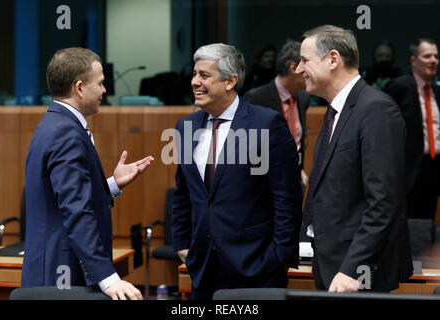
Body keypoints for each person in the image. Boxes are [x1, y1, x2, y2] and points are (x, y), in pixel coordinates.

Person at [22, 47, 154, 300]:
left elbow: (63, 195)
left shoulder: (54, 123)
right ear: (80, 88)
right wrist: (108, 278)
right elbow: (75, 210)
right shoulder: (66, 133)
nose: (105, 91)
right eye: (101, 83)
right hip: (60, 272)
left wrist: (112, 185)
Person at [172, 43, 302, 300]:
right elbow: (183, 192)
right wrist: (183, 242)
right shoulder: (185, 126)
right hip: (203, 265)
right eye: (195, 74)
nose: (195, 82)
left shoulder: (266, 123)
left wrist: (279, 256)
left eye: (204, 76)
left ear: (230, 81)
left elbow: (287, 197)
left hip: (256, 265)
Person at [296, 25, 412, 292]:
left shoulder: (376, 110)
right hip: (330, 264)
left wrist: (352, 269)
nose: (299, 69)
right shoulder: (335, 111)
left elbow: (384, 203)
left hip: (357, 274)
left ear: (333, 59)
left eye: (305, 60)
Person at [384, 38, 440, 220]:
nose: (433, 61)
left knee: (428, 222)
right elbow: (384, 129)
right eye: (427, 56)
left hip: (434, 167)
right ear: (413, 60)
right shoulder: (399, 87)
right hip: (408, 170)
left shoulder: (437, 91)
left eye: (436, 57)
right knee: (408, 224)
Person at [243, 39, 310, 187]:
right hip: (262, 188)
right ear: (294, 68)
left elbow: (297, 141)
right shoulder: (256, 99)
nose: (313, 72)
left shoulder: (303, 98)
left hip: (293, 183)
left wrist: (299, 169)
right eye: (308, 65)